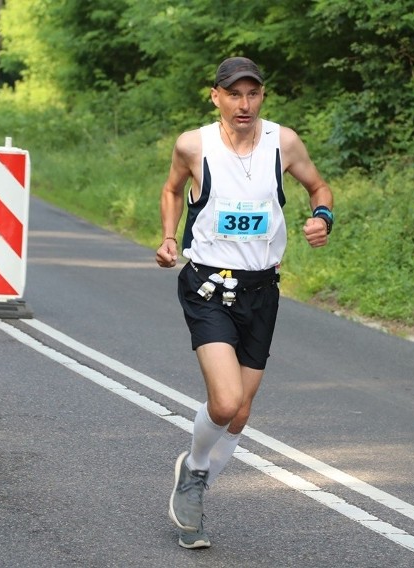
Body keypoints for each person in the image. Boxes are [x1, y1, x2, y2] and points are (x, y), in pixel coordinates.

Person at [155, 56, 334, 550]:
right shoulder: (194, 145)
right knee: (225, 400)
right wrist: (169, 236)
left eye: (253, 94)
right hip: (208, 285)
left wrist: (322, 217)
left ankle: (195, 489)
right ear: (216, 96)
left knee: (240, 414)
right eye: (234, 94)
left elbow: (319, 187)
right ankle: (194, 472)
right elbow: (172, 190)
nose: (244, 104)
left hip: (262, 290)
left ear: (262, 97)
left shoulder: (284, 141)